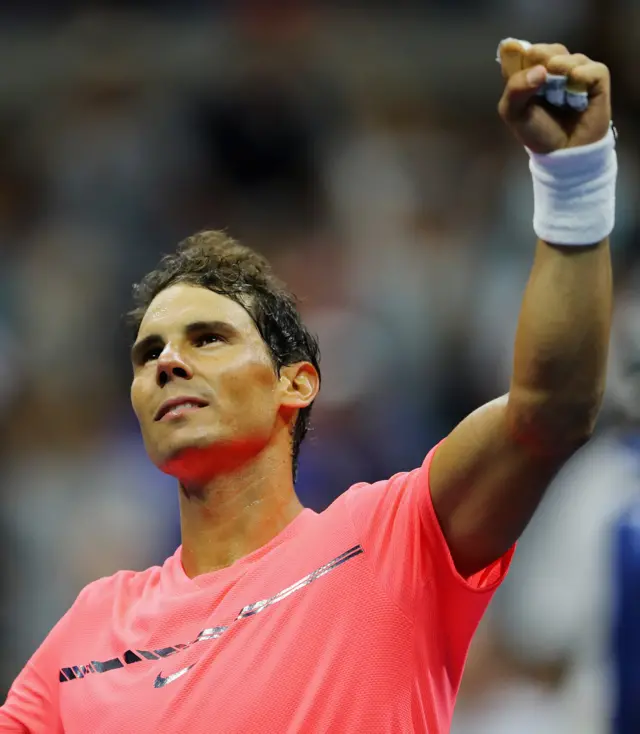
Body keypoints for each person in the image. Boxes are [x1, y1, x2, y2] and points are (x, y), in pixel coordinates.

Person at [0, 41, 617, 733]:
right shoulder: (91, 627)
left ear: (296, 383)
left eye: (208, 339)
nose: (167, 364)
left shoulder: (393, 542)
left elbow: (551, 408)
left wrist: (574, 179)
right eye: (148, 355)